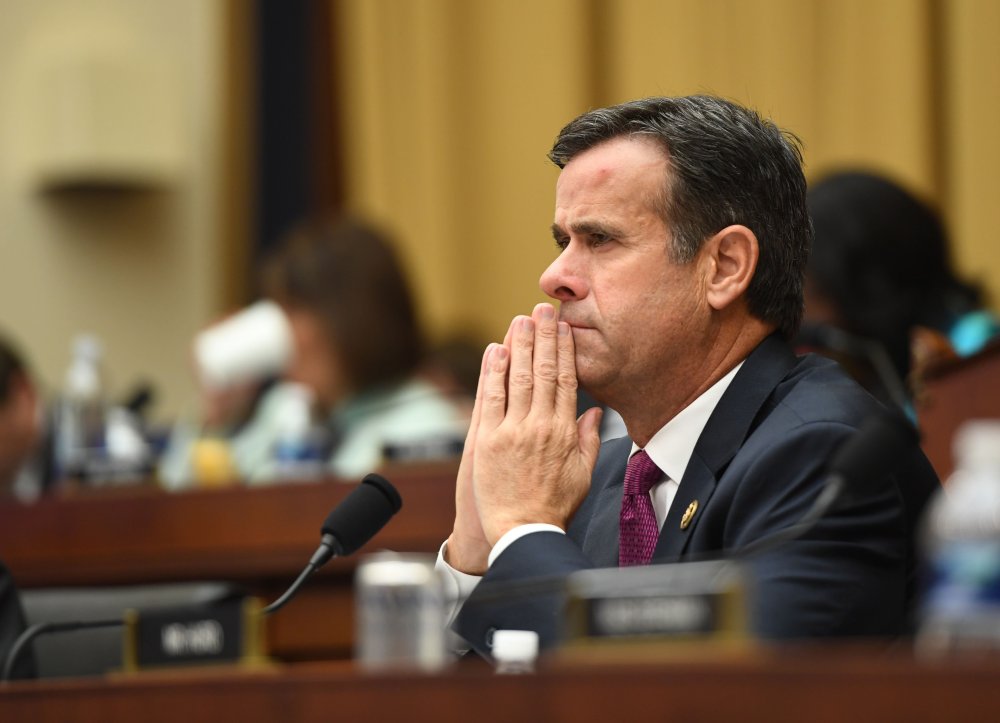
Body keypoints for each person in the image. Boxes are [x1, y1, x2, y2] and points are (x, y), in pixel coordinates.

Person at [437, 96, 941, 658]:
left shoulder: (821, 455)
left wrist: (523, 531)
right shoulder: (591, 479)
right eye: (564, 242)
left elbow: (710, 701)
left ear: (724, 267)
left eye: (600, 239)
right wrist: (478, 555)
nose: (555, 276)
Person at [164, 218, 468, 485]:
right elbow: (181, 512)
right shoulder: (285, 411)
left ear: (353, 317)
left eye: (294, 309)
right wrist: (217, 417)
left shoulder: (426, 428)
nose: (282, 330)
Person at [800, 170, 1000, 409]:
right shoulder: (879, 357)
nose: (804, 314)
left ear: (870, 284)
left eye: (816, 291)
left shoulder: (976, 348)